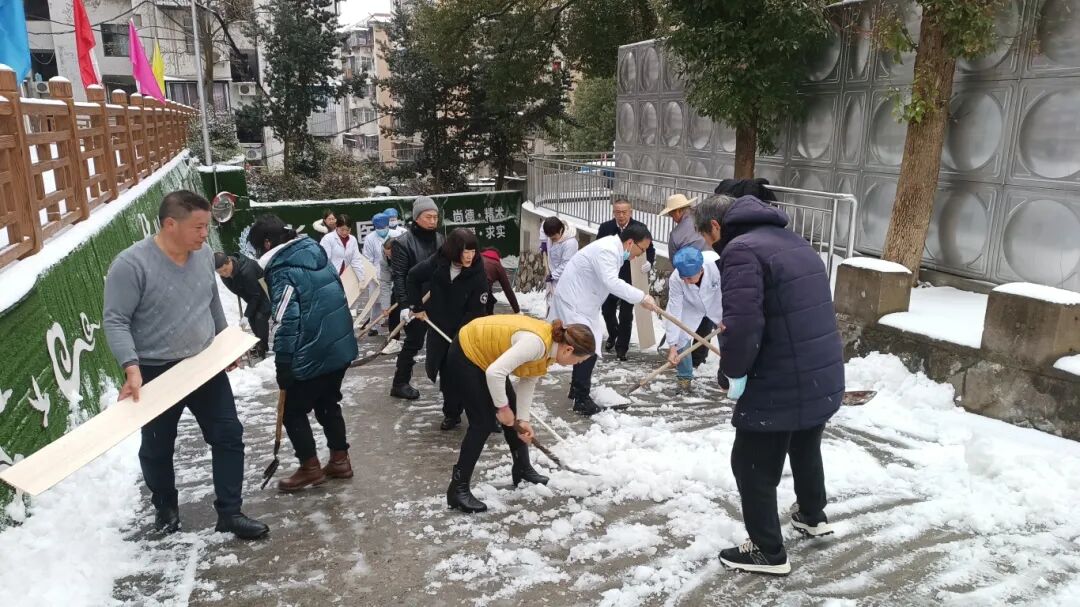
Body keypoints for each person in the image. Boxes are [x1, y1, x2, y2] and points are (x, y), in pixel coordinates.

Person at [103, 190, 268, 540]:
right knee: (157, 445)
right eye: (198, 226)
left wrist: (225, 345)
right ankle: (165, 506)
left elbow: (210, 301)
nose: (205, 233)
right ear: (170, 224)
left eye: (207, 226)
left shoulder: (203, 254)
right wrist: (131, 366)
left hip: (203, 366)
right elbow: (115, 320)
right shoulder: (131, 265)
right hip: (156, 370)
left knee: (228, 434)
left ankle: (230, 512)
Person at [694, 194, 845, 576]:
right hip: (819, 370)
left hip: (782, 375)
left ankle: (766, 550)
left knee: (750, 462)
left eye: (708, 239)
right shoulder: (793, 240)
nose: (712, 247)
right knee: (805, 441)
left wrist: (732, 371)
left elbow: (743, 325)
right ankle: (812, 514)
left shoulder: (742, 251)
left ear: (716, 227)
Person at [248, 214, 359, 492]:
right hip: (338, 345)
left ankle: (309, 467)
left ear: (267, 242)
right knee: (327, 402)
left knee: (293, 411)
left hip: (312, 351)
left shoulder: (282, 269)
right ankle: (339, 460)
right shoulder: (314, 252)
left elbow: (286, 319)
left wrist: (283, 363)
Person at [444, 315, 595, 513]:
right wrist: (502, 409)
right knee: (483, 422)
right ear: (569, 350)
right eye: (579, 360)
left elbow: (529, 379)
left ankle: (522, 468)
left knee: (513, 412)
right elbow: (494, 373)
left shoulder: (550, 349)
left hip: (488, 359)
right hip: (468, 352)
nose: (577, 365)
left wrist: (522, 419)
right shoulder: (536, 344)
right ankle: (458, 488)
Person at [548, 223, 660, 415]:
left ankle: (576, 389)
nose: (639, 255)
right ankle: (581, 399)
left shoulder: (612, 249)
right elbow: (612, 282)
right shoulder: (607, 250)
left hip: (583, 303)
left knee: (587, 345)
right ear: (630, 242)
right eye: (641, 249)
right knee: (588, 346)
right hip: (575, 303)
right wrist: (642, 297)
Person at [406, 228, 489, 431]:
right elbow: (413, 277)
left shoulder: (478, 274)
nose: (470, 256)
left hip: (467, 331)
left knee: (470, 375)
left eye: (472, 251)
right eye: (465, 251)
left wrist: (461, 338)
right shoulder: (439, 262)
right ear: (453, 250)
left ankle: (486, 416)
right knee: (447, 374)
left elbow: (476, 311)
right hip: (439, 328)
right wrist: (417, 307)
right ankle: (452, 413)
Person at [389, 196, 445, 400]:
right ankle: (400, 382)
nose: (432, 221)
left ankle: (448, 379)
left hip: (436, 299)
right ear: (417, 218)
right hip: (414, 301)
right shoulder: (403, 243)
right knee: (414, 341)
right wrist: (406, 305)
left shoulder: (440, 239)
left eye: (435, 217)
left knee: (443, 340)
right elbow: (400, 276)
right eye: (428, 216)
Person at [596, 199, 656, 361]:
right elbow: (598, 248)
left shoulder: (639, 228)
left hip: (631, 275)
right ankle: (613, 332)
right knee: (607, 309)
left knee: (626, 314)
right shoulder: (606, 228)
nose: (621, 215)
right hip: (610, 276)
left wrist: (649, 262)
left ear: (630, 212)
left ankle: (622, 348)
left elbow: (649, 248)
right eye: (618, 212)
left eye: (624, 212)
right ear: (613, 212)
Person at [659, 194, 712, 369]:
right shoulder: (706, 218)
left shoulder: (676, 235)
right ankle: (695, 360)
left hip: (695, 277)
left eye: (671, 214)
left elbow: (675, 262)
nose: (672, 218)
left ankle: (689, 359)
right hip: (701, 276)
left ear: (678, 211)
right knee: (705, 319)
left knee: (687, 320)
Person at [664, 247, 723, 394]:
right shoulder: (676, 278)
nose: (686, 281)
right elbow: (674, 312)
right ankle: (684, 379)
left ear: (701, 269)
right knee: (681, 337)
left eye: (689, 278)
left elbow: (731, 290)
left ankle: (730, 377)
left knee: (729, 338)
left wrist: (729, 316)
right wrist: (672, 346)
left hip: (718, 303)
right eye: (684, 278)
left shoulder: (717, 265)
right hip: (691, 306)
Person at [214, 252, 271, 358]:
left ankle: (262, 347)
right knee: (252, 320)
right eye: (220, 272)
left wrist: (246, 314)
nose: (224, 274)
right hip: (252, 295)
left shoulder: (247, 271)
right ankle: (260, 343)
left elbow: (256, 295)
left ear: (229, 261)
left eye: (225, 270)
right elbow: (238, 290)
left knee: (260, 318)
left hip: (265, 292)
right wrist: (248, 315)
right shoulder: (226, 275)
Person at [320, 213, 370, 289]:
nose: (345, 232)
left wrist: (361, 279)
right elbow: (325, 260)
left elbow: (356, 260)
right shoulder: (328, 239)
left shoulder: (352, 239)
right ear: (336, 227)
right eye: (342, 229)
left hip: (347, 278)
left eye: (348, 230)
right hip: (331, 279)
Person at [361, 213, 392, 336]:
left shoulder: (395, 235)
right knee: (375, 302)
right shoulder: (369, 238)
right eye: (378, 228)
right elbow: (367, 258)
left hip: (393, 271)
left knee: (393, 298)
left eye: (383, 227)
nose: (381, 230)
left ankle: (395, 322)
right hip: (376, 273)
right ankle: (374, 325)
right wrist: (373, 274)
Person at [541, 217, 578, 313]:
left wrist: (553, 275)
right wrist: (543, 243)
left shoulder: (570, 243)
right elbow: (542, 228)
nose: (552, 240)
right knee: (550, 305)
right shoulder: (551, 229)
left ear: (561, 230)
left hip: (564, 280)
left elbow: (567, 264)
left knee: (561, 309)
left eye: (554, 238)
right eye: (550, 238)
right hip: (552, 277)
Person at [479, 248, 520, 315]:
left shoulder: (477, 258)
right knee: (487, 311)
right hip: (484, 288)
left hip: (469, 287)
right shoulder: (498, 266)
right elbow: (508, 290)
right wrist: (517, 310)